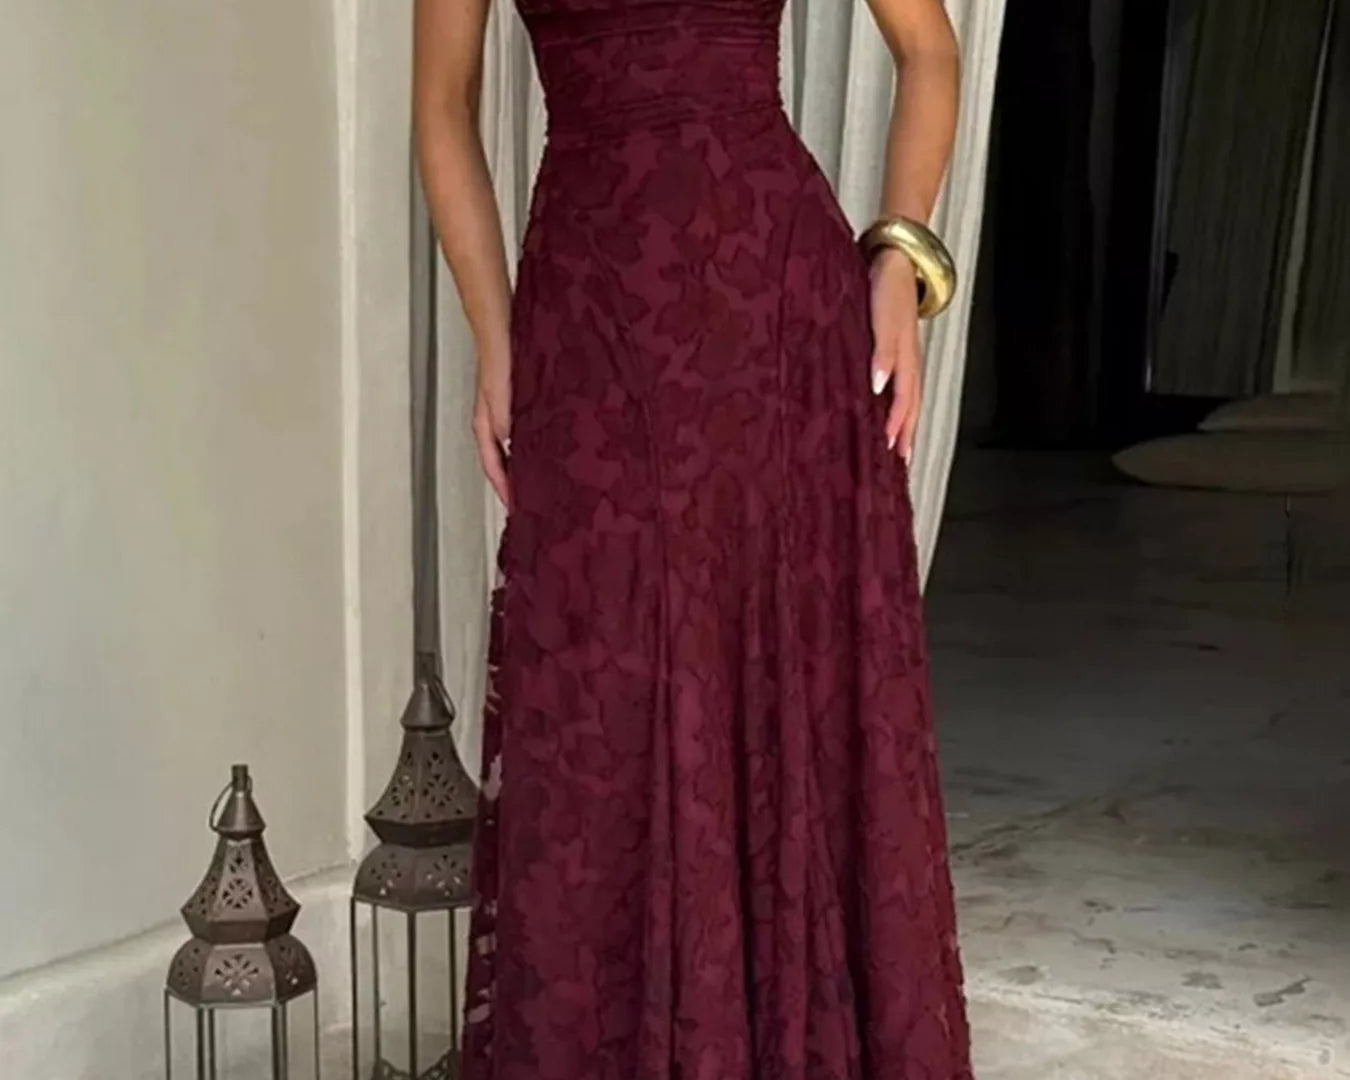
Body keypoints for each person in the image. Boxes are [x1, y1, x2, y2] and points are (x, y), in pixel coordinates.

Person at [413, 1, 968, 1077]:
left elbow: (930, 49)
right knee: (598, 718)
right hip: (590, 316)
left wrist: (899, 256)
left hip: (779, 322)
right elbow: (442, 108)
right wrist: (497, 336)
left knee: (785, 692)